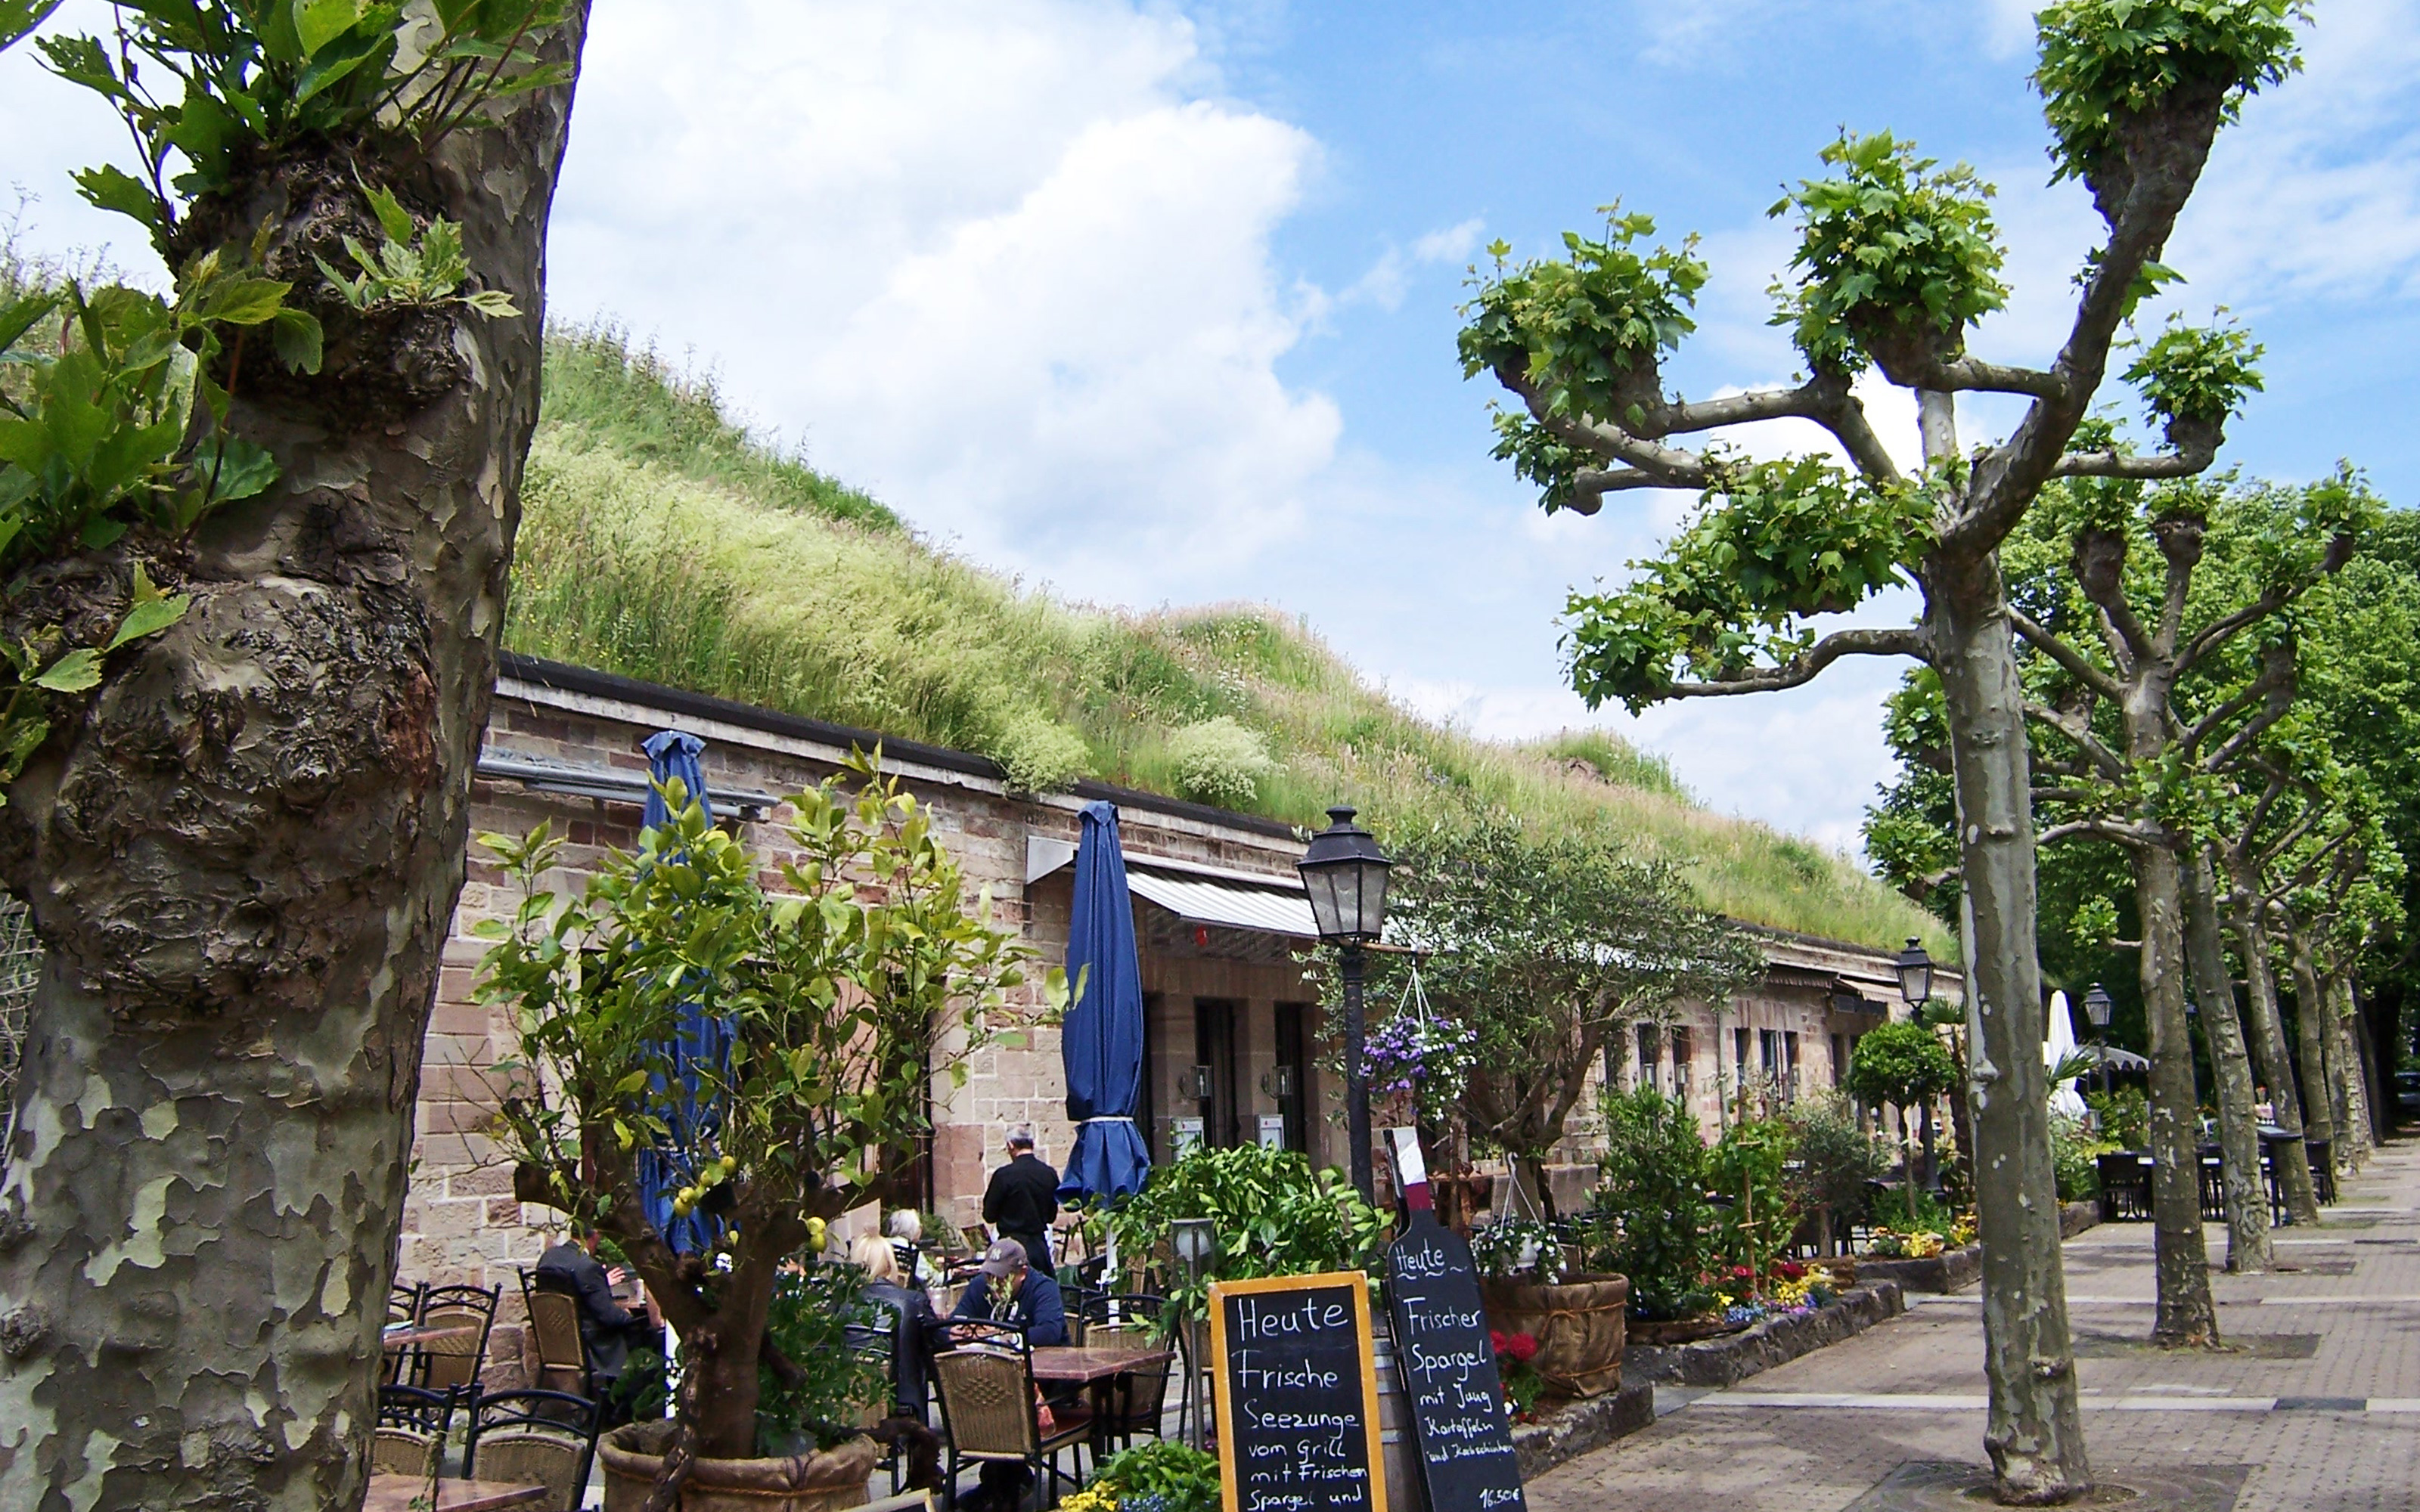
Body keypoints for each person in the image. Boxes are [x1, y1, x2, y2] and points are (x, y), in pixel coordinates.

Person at [947, 1238, 1069, 1512]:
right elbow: (955, 1321)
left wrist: (1003, 1336)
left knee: (1005, 1403)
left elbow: (1050, 1331)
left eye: (1001, 1277)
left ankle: (1004, 1483)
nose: (994, 1283)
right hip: (988, 1386)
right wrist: (955, 1331)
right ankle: (1003, 1482)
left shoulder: (1042, 1287)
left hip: (1044, 1387)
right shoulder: (983, 1286)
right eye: (990, 1275)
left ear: (1022, 1273)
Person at [533, 1229, 659, 1392]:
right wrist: (630, 1316)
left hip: (557, 1342)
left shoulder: (549, 1258)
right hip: (594, 1346)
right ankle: (628, 1405)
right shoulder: (587, 1267)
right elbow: (610, 1317)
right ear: (594, 1236)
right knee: (654, 1335)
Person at [852, 1234, 937, 1422]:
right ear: (890, 1265)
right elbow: (939, 1345)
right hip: (900, 1401)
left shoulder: (839, 1303)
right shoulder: (911, 1300)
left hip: (849, 1404)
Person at [980, 1126, 1060, 1279]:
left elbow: (989, 1215)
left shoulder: (1004, 1176)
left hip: (1010, 1248)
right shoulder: (1049, 1174)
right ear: (1032, 1144)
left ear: (1011, 1145)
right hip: (1038, 1248)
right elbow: (1051, 1216)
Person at [886, 1207, 943, 1295]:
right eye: (919, 1226)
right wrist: (951, 1274)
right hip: (906, 1297)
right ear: (911, 1228)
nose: (921, 1229)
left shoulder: (884, 1244)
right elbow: (930, 1281)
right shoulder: (911, 1251)